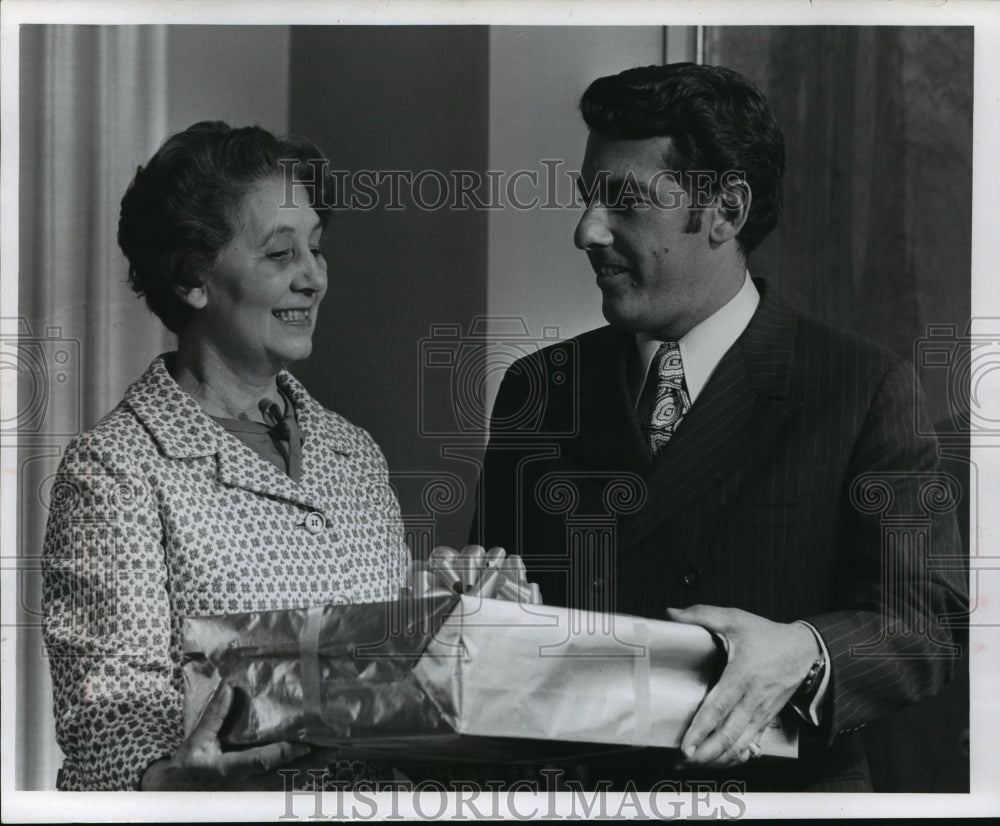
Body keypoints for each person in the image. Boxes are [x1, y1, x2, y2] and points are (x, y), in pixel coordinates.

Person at [471, 63, 967, 792]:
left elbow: (924, 621)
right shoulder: (538, 391)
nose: (587, 230)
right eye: (586, 198)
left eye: (623, 200)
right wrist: (479, 613)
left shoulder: (859, 387)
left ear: (726, 211)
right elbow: (489, 632)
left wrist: (805, 652)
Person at [41, 122, 410, 790]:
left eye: (317, 250)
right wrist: (174, 782)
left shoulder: (355, 454)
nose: (314, 279)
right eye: (280, 254)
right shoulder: (116, 471)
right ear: (193, 278)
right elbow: (108, 740)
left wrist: (464, 616)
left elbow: (398, 685)